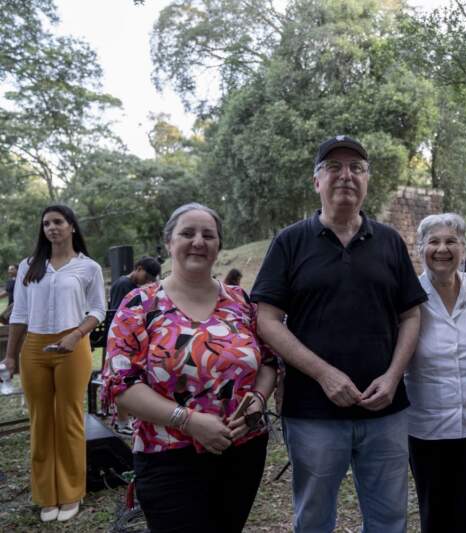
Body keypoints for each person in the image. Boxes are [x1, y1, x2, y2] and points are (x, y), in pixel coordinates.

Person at [252, 135, 426, 533]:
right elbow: (266, 319)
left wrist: (394, 375)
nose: (346, 175)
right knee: (313, 520)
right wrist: (324, 374)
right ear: (317, 181)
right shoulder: (290, 241)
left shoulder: (389, 241)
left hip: (386, 411)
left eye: (356, 168)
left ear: (367, 181)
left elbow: (411, 316)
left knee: (388, 520)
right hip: (312, 413)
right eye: (334, 167)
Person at [103, 203, 278, 533]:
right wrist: (189, 421)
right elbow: (120, 384)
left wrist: (258, 398)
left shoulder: (241, 301)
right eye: (187, 233)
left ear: (218, 246)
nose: (198, 241)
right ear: (169, 242)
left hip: (243, 450)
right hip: (168, 456)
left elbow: (268, 361)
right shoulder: (140, 304)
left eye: (208, 235)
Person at [1, 204, 105, 522]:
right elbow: (18, 314)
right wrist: (10, 354)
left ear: (71, 226)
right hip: (34, 346)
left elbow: (98, 310)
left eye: (58, 222)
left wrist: (75, 336)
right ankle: (47, 495)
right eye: (46, 223)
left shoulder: (89, 268)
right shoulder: (30, 266)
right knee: (41, 420)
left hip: (73, 344)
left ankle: (71, 492)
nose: (51, 228)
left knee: (69, 419)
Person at [406, 213, 466, 533]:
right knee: (436, 515)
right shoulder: (409, 296)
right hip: (428, 427)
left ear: (463, 248)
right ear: (421, 248)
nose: (442, 248)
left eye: (451, 241)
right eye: (433, 241)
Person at [104, 256, 161, 436]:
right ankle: (122, 422)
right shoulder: (124, 285)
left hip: (130, 339)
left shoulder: (134, 287)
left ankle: (127, 419)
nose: (149, 281)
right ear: (138, 268)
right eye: (148, 276)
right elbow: (121, 316)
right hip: (121, 341)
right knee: (122, 379)